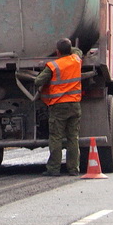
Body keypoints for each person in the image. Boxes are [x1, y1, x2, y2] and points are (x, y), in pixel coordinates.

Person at [34, 38, 83, 176]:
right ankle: (74, 169)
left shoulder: (53, 65)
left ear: (57, 51)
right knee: (73, 137)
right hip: (74, 105)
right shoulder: (76, 60)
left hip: (59, 106)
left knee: (56, 137)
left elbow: (38, 81)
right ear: (69, 50)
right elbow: (78, 51)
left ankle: (54, 169)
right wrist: (69, 47)